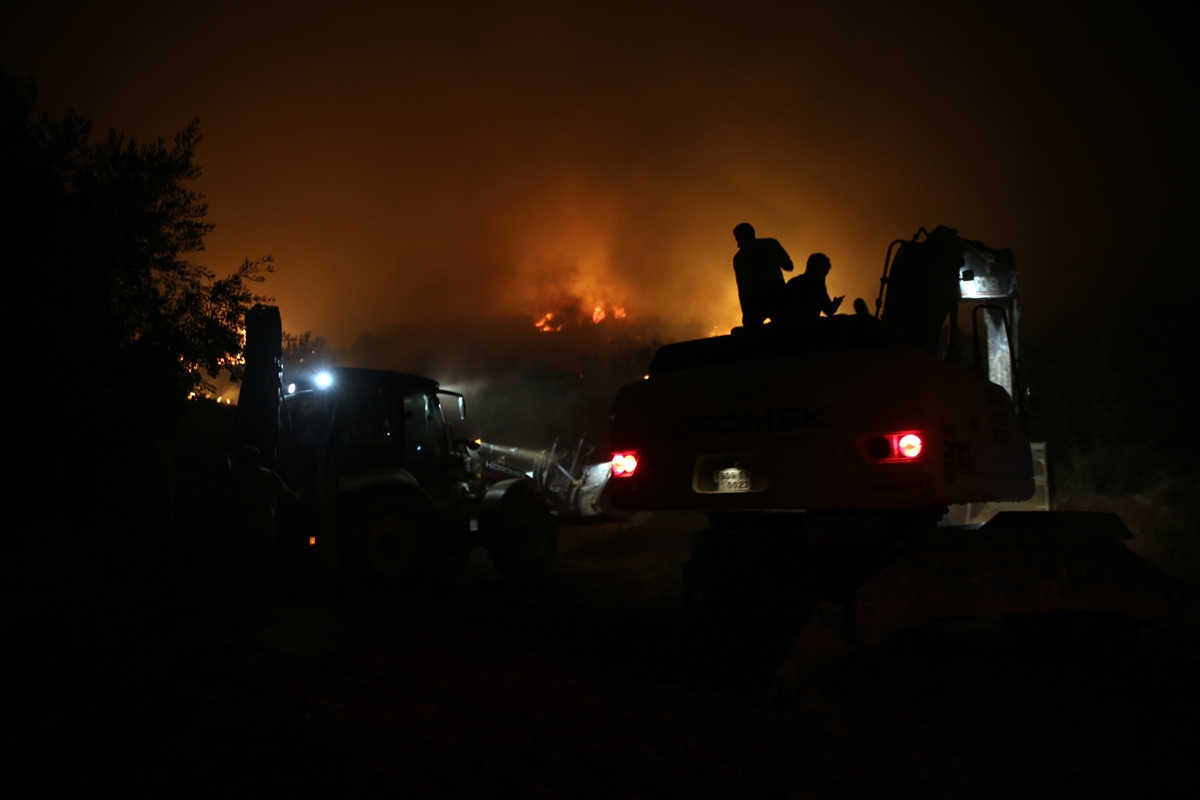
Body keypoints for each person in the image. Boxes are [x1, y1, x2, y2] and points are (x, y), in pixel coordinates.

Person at [228, 445, 300, 627]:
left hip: (242, 530)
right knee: (262, 572)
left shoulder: (236, 478)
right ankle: (261, 613)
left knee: (243, 571)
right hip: (264, 531)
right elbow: (289, 496)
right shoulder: (269, 476)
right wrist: (300, 495)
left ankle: (243, 612)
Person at [732, 222, 794, 327]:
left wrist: (746, 313)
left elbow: (742, 289)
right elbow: (789, 266)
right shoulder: (771, 244)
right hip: (778, 296)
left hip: (755, 302)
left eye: (738, 239)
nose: (737, 244)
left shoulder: (739, 258)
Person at [786, 252, 844, 320]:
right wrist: (836, 304)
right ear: (819, 269)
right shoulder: (817, 284)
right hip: (808, 324)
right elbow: (828, 310)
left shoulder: (793, 281)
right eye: (825, 272)